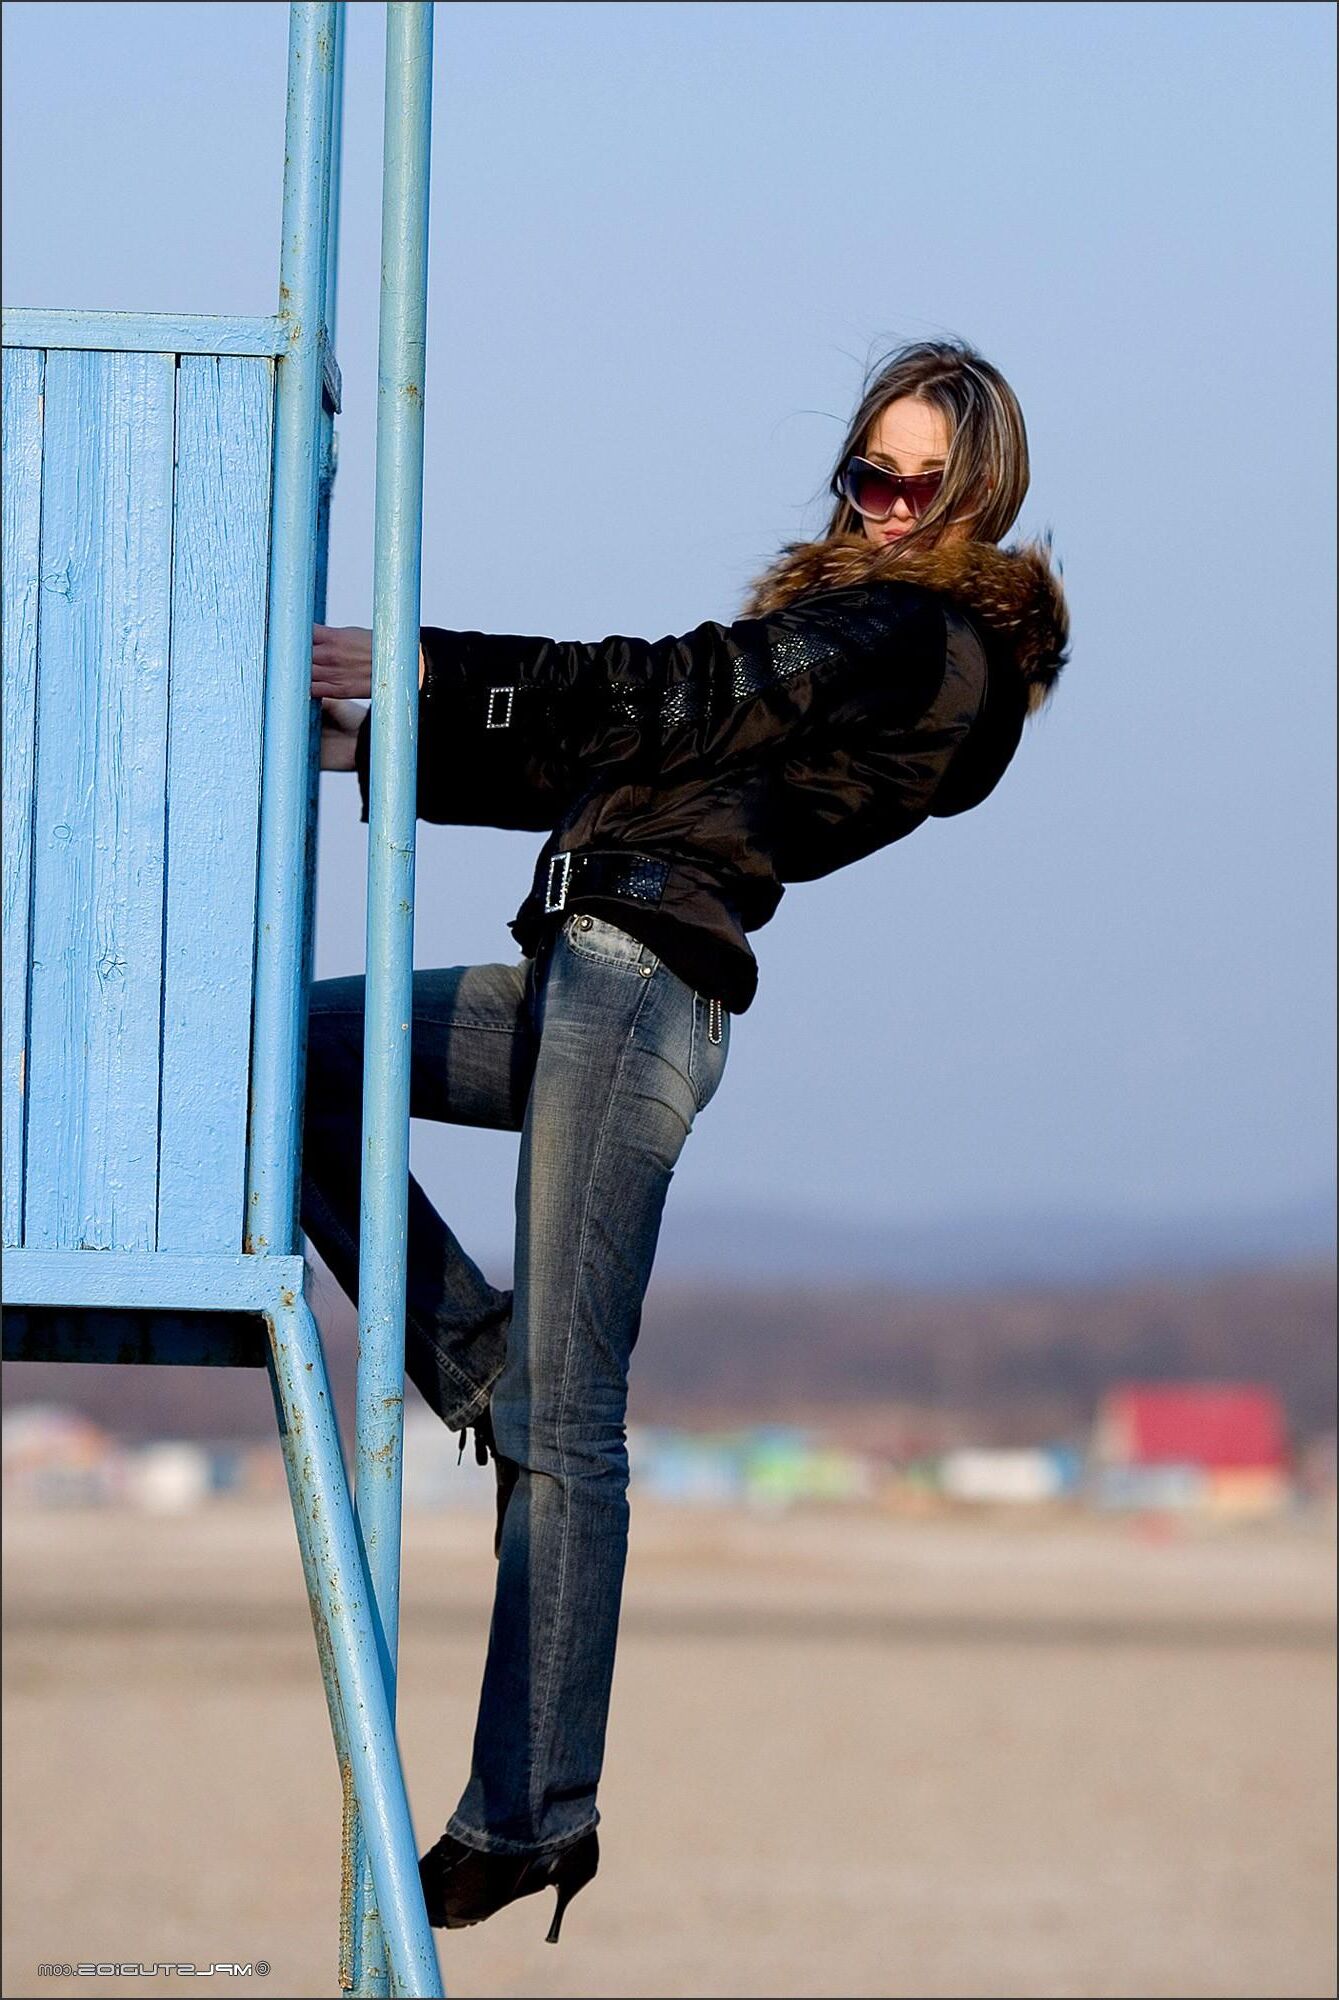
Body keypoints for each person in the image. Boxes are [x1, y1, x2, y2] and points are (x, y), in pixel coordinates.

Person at [303, 337, 1070, 1944]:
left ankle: (531, 1811)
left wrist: (425, 665)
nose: (892, 506)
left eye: (926, 484)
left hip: (638, 993)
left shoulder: (914, 637)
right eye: (871, 473)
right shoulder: (841, 632)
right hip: (575, 971)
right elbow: (617, 751)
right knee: (283, 1060)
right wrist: (371, 745)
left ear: (980, 499)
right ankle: (470, 1362)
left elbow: (657, 693)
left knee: (571, 1424)